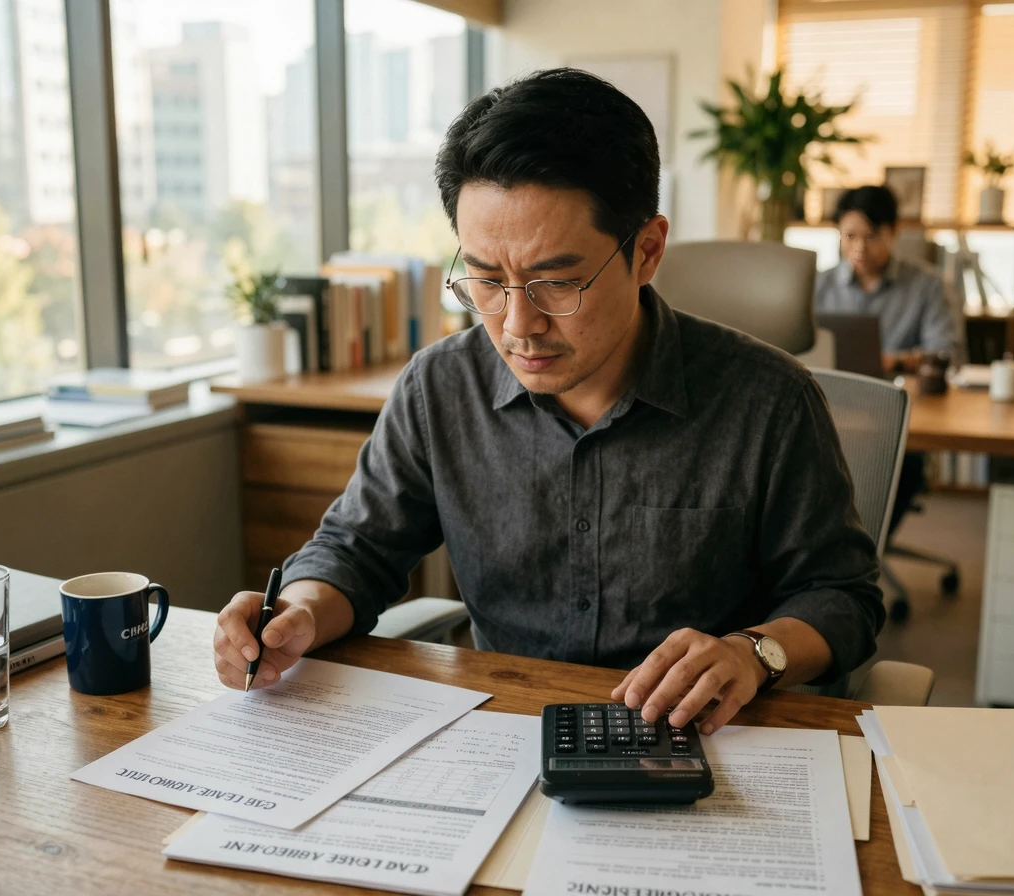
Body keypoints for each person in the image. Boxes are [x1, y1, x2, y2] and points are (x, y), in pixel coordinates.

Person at [213, 69, 884, 735]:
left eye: (557, 282)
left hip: (700, 743)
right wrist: (297, 611)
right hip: (503, 739)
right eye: (484, 278)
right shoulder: (440, 389)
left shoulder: (767, 400)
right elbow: (355, 552)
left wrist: (753, 653)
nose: (517, 325)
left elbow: (841, 597)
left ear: (647, 251)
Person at [815, 185, 961, 374]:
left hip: (903, 393)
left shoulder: (929, 286)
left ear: (895, 231)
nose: (859, 248)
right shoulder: (818, 284)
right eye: (850, 236)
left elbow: (946, 354)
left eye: (871, 236)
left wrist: (895, 362)